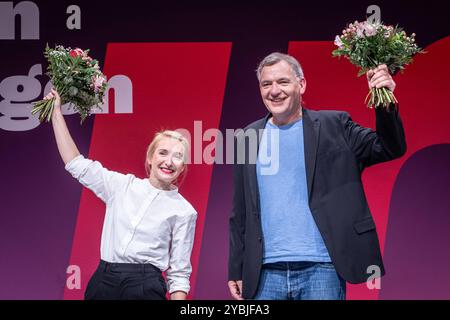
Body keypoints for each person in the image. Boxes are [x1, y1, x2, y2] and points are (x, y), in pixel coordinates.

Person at [228, 52, 406, 300]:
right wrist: (236, 268)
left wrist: (384, 102)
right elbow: (240, 211)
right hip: (264, 272)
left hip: (322, 267)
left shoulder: (335, 124)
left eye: (283, 82)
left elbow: (389, 147)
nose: (274, 90)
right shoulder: (247, 136)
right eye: (266, 84)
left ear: (301, 85)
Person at [46, 89, 197, 300]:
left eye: (178, 157)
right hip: (103, 282)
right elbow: (76, 163)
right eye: (163, 153)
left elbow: (179, 272)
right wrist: (56, 113)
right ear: (150, 158)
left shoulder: (185, 211)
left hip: (145, 286)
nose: (169, 162)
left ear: (182, 168)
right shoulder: (121, 186)